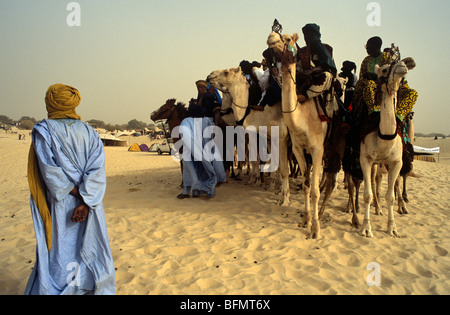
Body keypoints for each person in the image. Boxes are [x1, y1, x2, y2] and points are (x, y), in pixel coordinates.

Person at [25, 84, 116, 295]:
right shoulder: (90, 132)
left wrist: (76, 196)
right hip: (91, 202)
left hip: (60, 202)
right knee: (90, 244)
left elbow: (50, 173)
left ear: (51, 102)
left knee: (60, 248)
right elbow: (97, 171)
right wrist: (85, 202)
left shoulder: (44, 130)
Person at [296, 23, 337, 103]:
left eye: (309, 35)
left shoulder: (327, 48)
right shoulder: (302, 51)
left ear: (315, 35)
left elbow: (327, 66)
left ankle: (306, 95)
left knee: (327, 76)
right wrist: (300, 73)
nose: (306, 38)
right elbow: (296, 66)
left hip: (318, 77)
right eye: (305, 35)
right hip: (303, 77)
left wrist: (312, 71)